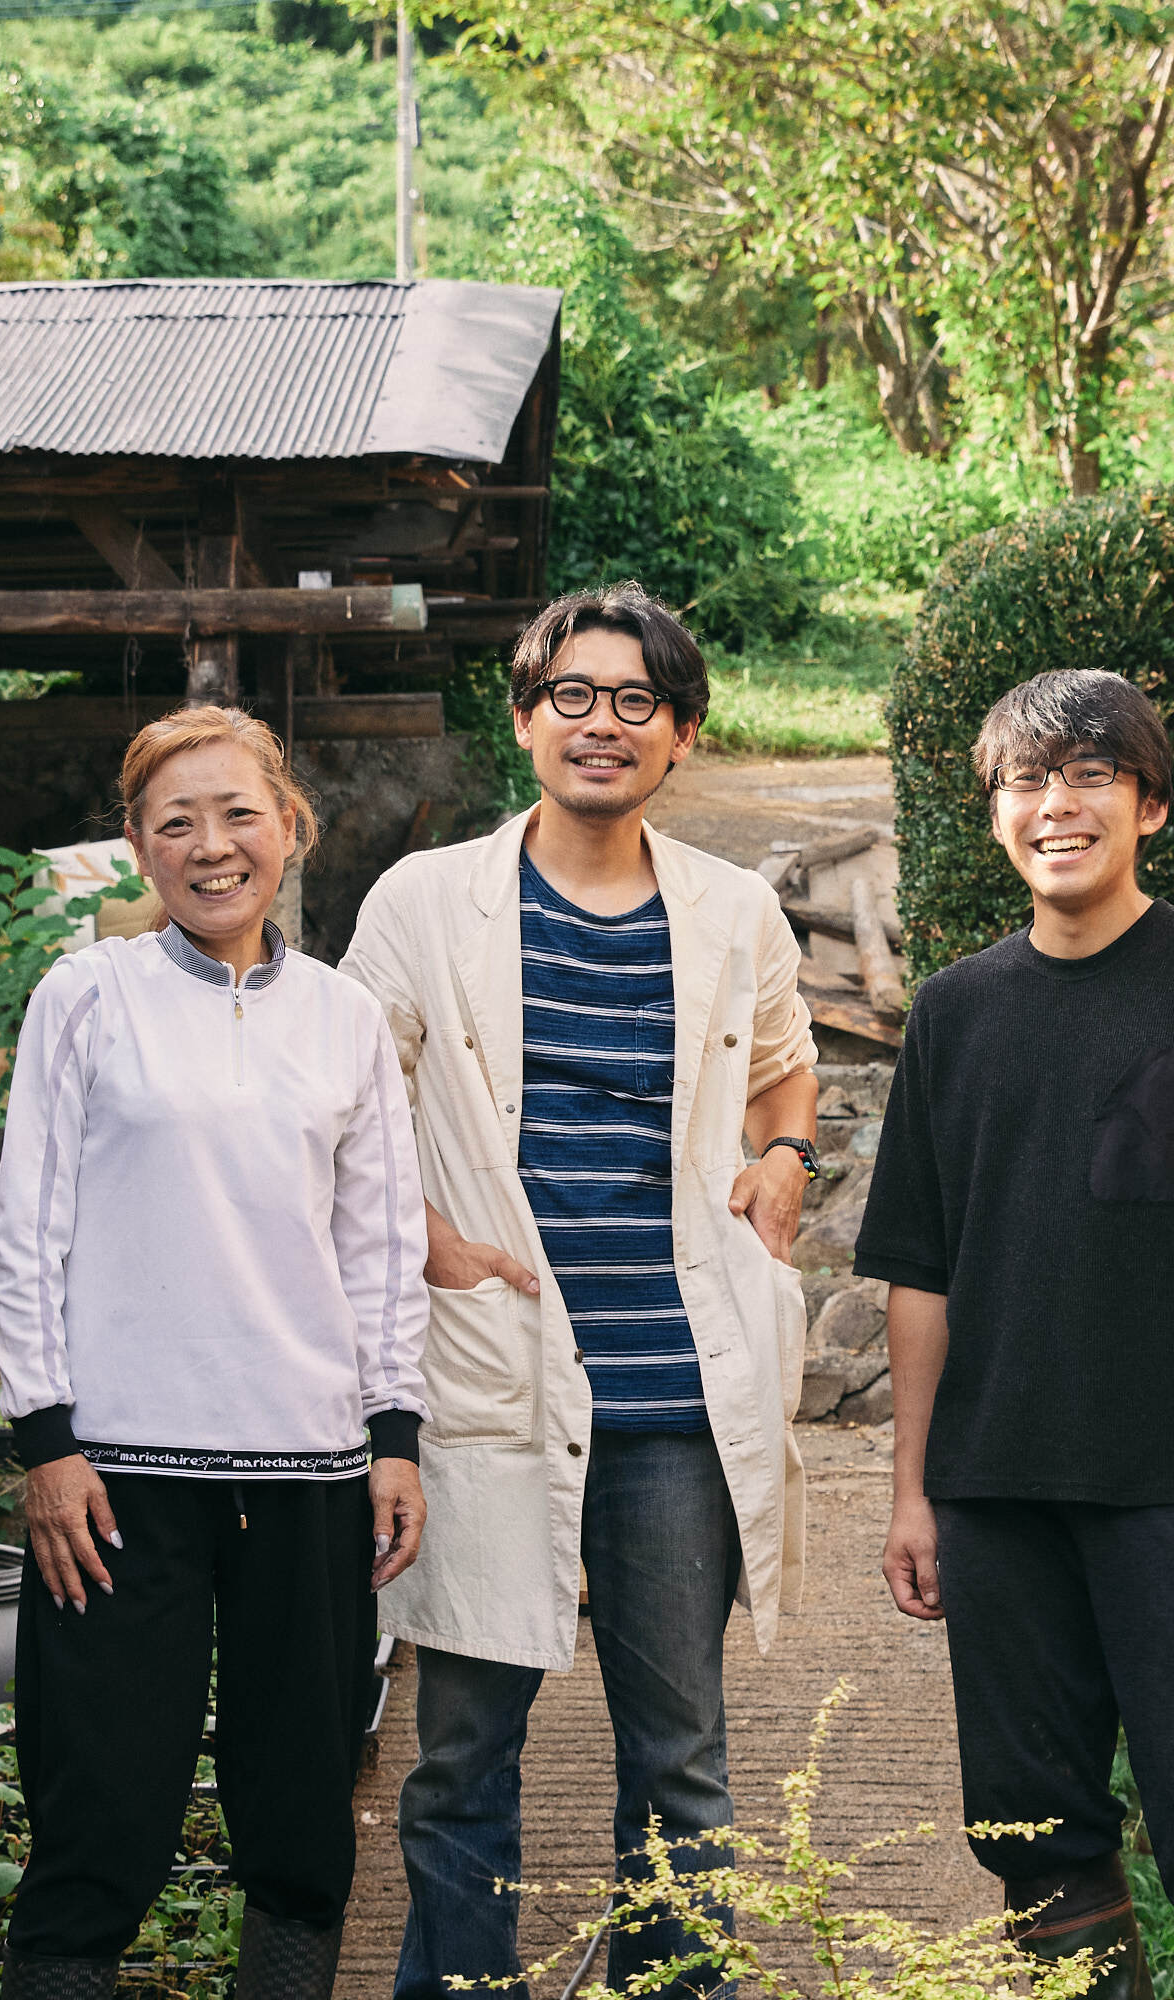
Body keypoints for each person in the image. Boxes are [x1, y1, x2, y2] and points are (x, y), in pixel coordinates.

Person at [341, 583, 821, 1998]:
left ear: (682, 734)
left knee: (681, 1762)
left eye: (635, 702)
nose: (601, 724)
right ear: (524, 719)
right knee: (460, 1756)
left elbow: (787, 1066)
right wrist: (420, 1230)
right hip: (492, 1384)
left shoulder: (736, 910)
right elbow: (346, 1102)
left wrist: (785, 1157)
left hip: (672, 1398)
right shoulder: (426, 901)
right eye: (572, 696)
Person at [855, 670, 1174, 2000]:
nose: (1055, 805)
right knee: (1031, 1837)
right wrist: (912, 1493)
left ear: (1150, 805)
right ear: (995, 812)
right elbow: (918, 1274)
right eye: (1027, 780)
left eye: (1089, 777)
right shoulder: (956, 1011)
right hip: (996, 1492)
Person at [0, 705, 432, 2000]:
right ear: (139, 848)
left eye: (239, 813)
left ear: (290, 826)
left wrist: (393, 1436)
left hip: (309, 1469)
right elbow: (29, 1229)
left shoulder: (344, 1019)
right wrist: (45, 1440)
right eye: (175, 823)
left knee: (299, 1813)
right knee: (98, 1802)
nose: (212, 845)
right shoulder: (87, 999)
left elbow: (380, 1244)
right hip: (116, 1478)